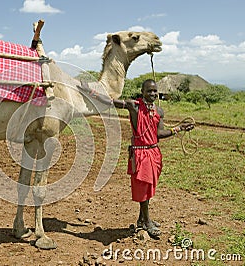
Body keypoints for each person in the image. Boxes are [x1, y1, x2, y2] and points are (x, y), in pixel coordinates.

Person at [78, 79, 194, 237]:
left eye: (155, 91)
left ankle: (141, 220)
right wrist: (90, 92)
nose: (152, 94)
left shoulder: (159, 111)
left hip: (154, 153)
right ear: (142, 92)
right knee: (143, 189)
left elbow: (159, 134)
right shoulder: (134, 106)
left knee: (148, 189)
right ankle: (147, 222)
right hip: (140, 154)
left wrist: (179, 129)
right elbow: (111, 102)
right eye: (149, 91)